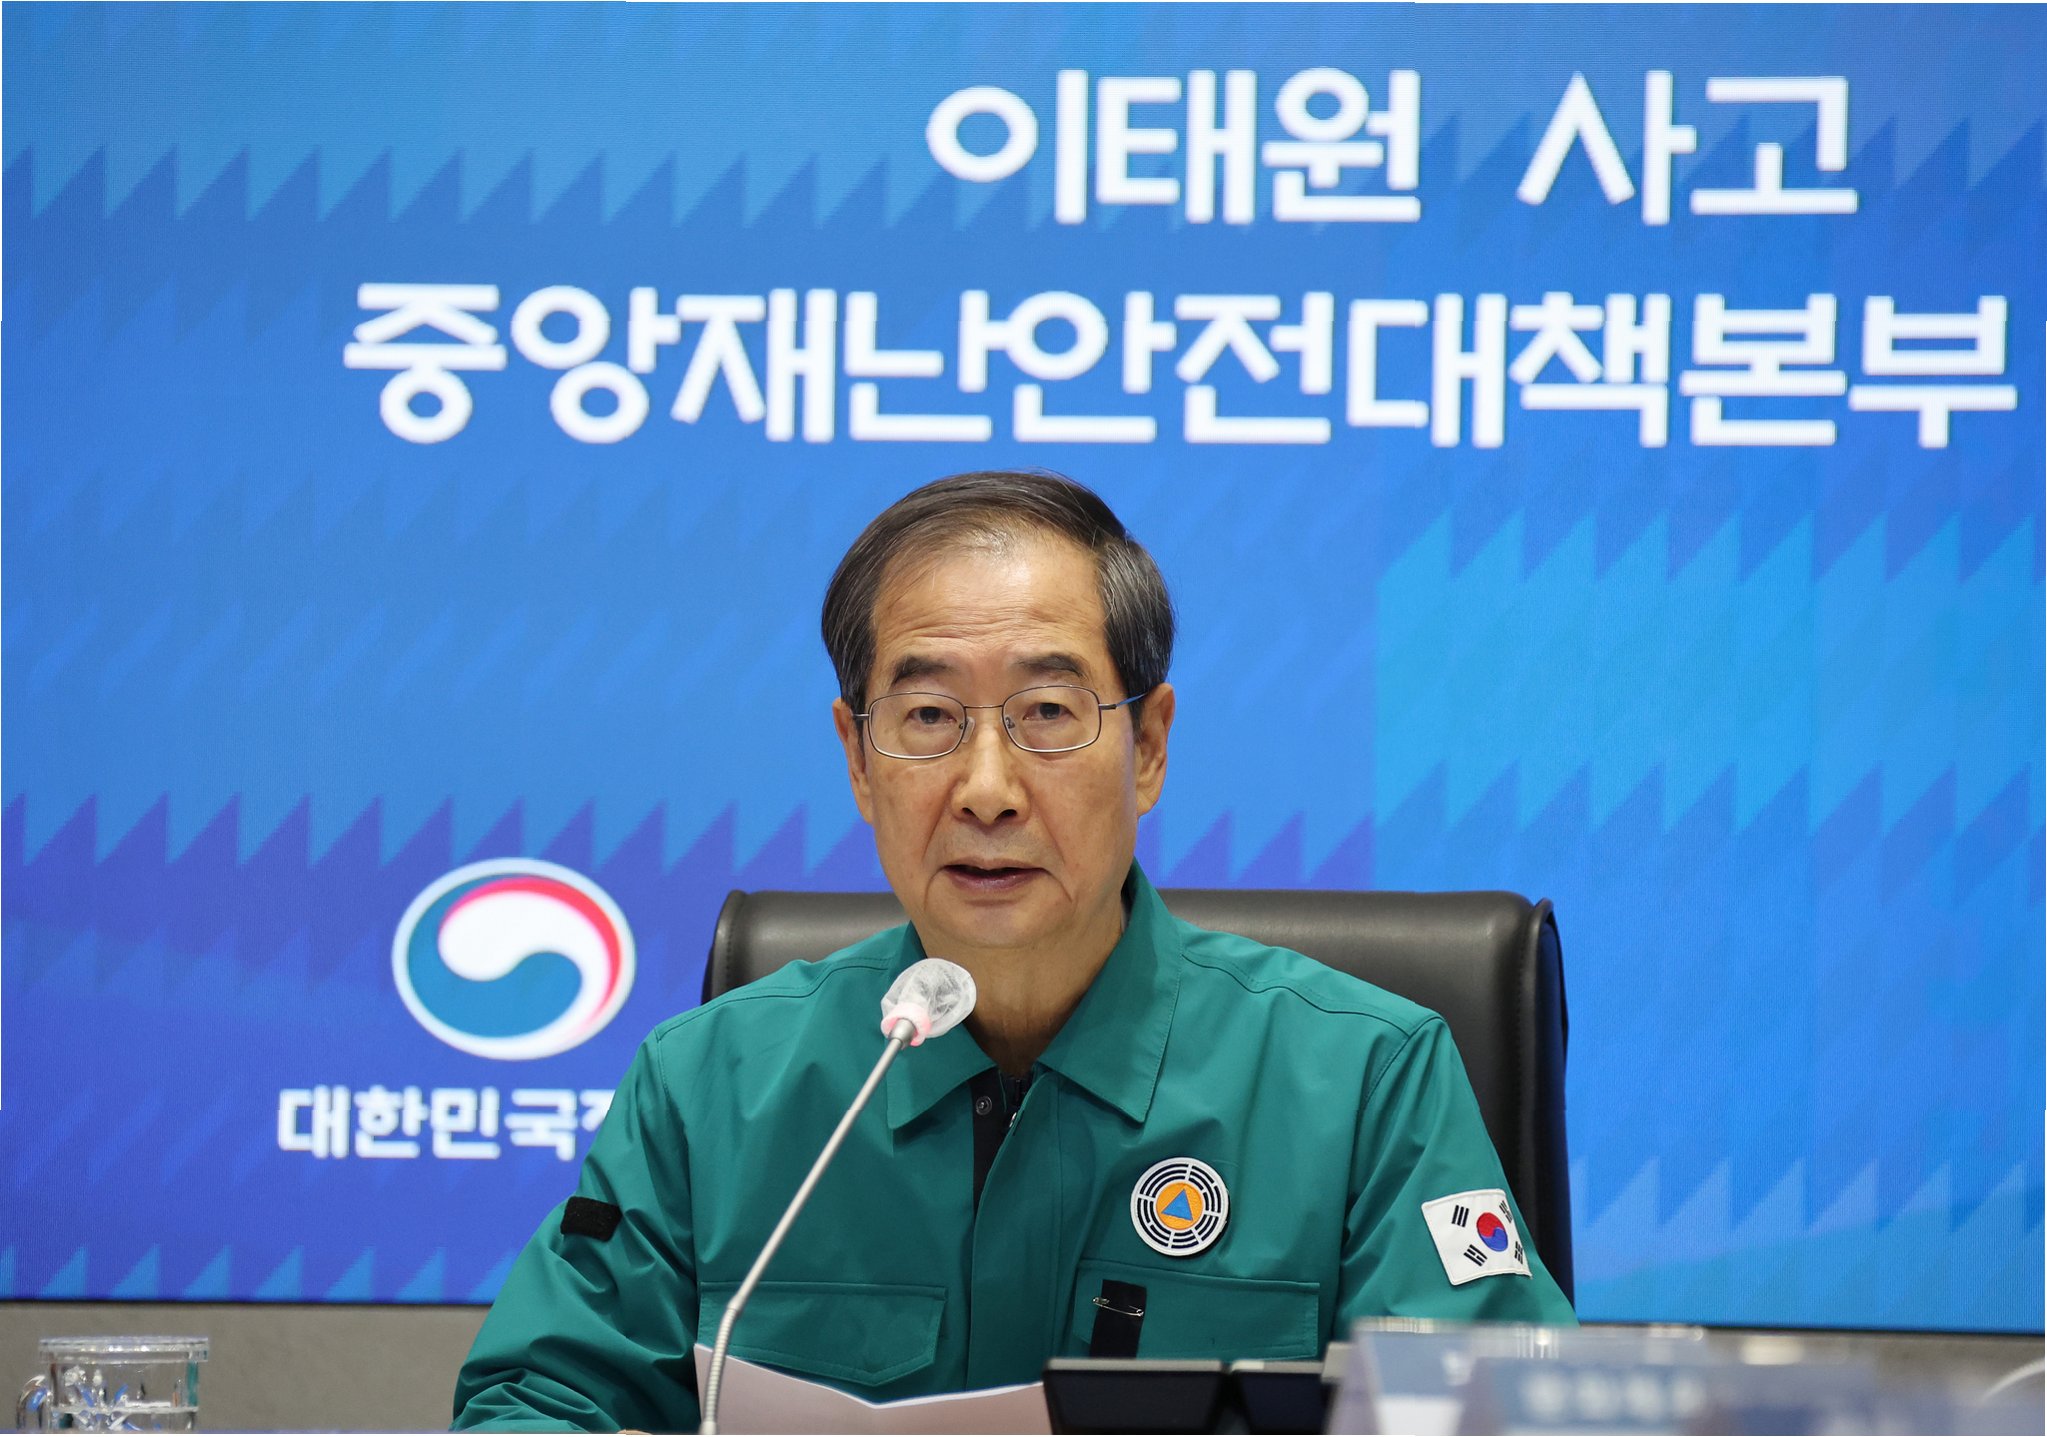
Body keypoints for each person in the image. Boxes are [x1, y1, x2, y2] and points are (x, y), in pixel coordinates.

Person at [451, 470, 1575, 1432]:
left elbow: (1498, 1418)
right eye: (928, 718)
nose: (985, 789)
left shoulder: (1363, 1080)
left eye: (1046, 712)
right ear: (857, 758)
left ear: (1147, 746)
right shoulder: (710, 1085)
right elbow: (540, 1399)